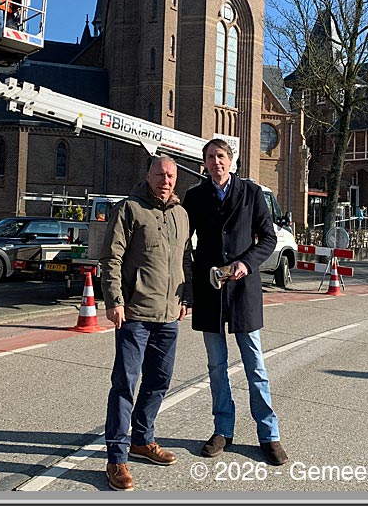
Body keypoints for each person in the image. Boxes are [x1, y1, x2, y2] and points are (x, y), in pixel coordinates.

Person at [182, 138, 289, 467]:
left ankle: (268, 435)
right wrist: (187, 285)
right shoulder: (195, 197)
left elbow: (268, 238)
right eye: (210, 157)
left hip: (243, 291)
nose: (216, 162)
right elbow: (182, 240)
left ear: (231, 160)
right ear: (204, 163)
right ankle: (222, 430)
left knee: (255, 366)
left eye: (221, 156)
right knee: (217, 367)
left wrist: (246, 263)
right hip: (210, 290)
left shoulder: (251, 193)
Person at [100, 156, 193, 491]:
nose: (165, 180)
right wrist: (114, 300)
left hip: (169, 315)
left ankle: (142, 439)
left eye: (170, 176)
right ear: (148, 175)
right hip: (135, 314)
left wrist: (186, 298)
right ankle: (116, 458)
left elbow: (185, 259)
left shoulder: (181, 214)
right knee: (125, 384)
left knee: (159, 381)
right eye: (160, 174)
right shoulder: (129, 209)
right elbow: (111, 257)